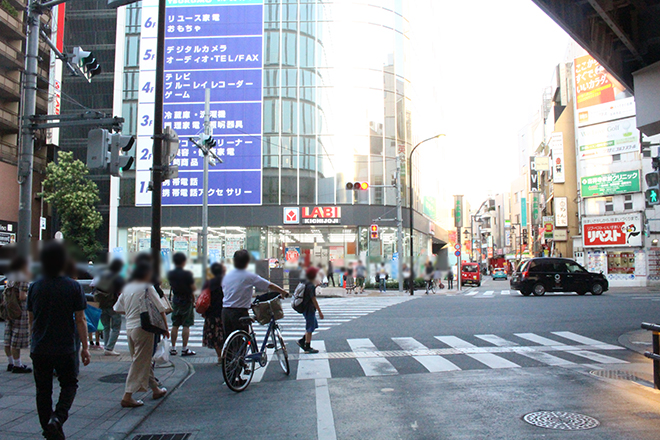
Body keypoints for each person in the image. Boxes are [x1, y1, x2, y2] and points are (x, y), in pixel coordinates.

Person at [28, 242, 91, 440]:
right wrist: (85, 347)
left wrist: (34, 339)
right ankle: (57, 419)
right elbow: (80, 319)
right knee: (69, 384)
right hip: (65, 346)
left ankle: (49, 429)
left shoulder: (35, 286)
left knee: (43, 390)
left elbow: (32, 319)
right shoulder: (73, 286)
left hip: (40, 346)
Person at [114, 262, 168, 408]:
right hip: (144, 328)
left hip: (130, 328)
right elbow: (161, 308)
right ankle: (127, 395)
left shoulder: (127, 287)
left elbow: (118, 308)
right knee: (140, 361)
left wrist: (131, 312)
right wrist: (165, 328)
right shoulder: (147, 286)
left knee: (142, 359)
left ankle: (155, 389)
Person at [221, 249, 288, 338]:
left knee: (229, 341)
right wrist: (283, 292)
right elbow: (269, 285)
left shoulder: (227, 275)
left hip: (225, 312)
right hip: (240, 312)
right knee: (242, 340)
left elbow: (232, 291)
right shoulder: (249, 276)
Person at [4, 255, 32, 373]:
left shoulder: (11, 277)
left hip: (9, 309)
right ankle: (18, 365)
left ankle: (10, 362)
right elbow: (22, 296)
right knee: (17, 338)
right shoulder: (23, 278)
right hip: (20, 310)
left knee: (8, 337)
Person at [92, 259, 125, 356]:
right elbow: (122, 291)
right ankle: (109, 348)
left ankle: (106, 346)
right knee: (116, 326)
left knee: (106, 327)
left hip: (101, 304)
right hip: (113, 305)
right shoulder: (118, 278)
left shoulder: (102, 276)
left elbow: (94, 288)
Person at [167, 252, 196, 357]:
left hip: (176, 300)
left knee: (175, 325)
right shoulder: (187, 274)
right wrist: (194, 300)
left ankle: (173, 348)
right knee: (186, 325)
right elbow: (193, 289)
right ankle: (184, 348)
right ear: (184, 261)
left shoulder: (171, 274)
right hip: (186, 300)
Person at [296, 267, 324, 354]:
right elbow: (313, 299)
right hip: (309, 308)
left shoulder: (306, 283)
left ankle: (302, 340)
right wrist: (320, 311)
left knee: (313, 324)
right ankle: (307, 347)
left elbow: (308, 293)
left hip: (305, 308)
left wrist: (316, 285)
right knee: (310, 327)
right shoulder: (310, 285)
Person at [202, 263, 225, 364]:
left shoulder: (208, 283)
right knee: (223, 335)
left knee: (214, 337)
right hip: (222, 312)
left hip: (210, 313)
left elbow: (203, 298)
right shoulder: (225, 282)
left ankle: (219, 356)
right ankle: (225, 355)